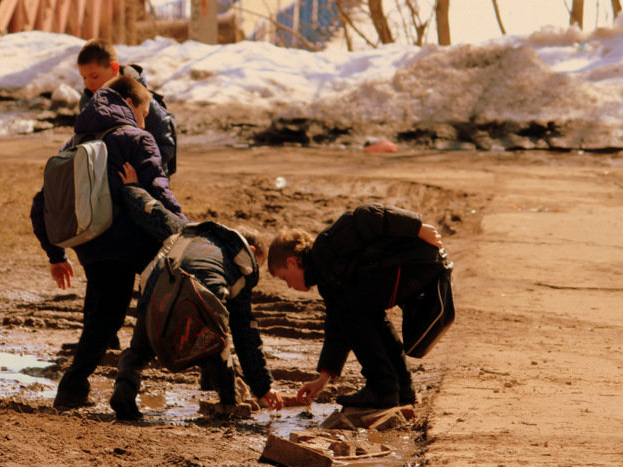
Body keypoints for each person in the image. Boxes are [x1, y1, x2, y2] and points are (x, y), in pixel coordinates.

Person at [30, 75, 184, 409]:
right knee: (167, 302)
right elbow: (159, 190)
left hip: (91, 244)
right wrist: (184, 230)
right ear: (130, 103)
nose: (144, 120)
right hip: (135, 243)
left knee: (104, 319)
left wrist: (55, 253)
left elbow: (42, 204)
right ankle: (130, 384)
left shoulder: (74, 142)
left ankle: (73, 388)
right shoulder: (137, 138)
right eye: (143, 112)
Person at [108, 163, 284, 420]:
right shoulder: (242, 268)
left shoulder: (188, 230)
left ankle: (124, 390)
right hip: (201, 304)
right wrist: (264, 387)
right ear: (253, 252)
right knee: (217, 342)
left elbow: (152, 212)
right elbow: (245, 335)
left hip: (156, 289)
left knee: (139, 350)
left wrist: (132, 188)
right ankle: (227, 404)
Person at [267, 202, 446, 410]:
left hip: (414, 262)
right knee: (360, 311)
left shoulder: (326, 247)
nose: (289, 285)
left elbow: (365, 215)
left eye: (284, 278)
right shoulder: (326, 279)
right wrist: (322, 379)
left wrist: (417, 227)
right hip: (412, 265)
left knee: (352, 310)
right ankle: (403, 389)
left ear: (293, 262)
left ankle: (383, 389)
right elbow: (337, 329)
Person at [72, 38, 177, 176]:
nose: (88, 84)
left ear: (114, 68)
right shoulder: (88, 100)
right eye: (84, 77)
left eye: (94, 76)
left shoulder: (140, 100)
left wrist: (139, 168)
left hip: (147, 177)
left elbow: (166, 146)